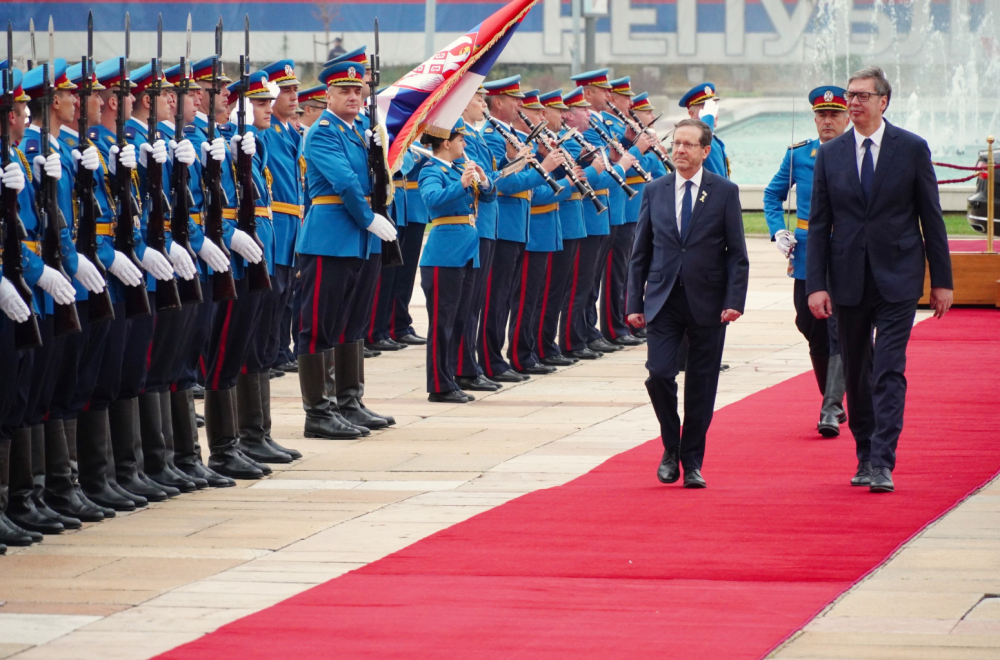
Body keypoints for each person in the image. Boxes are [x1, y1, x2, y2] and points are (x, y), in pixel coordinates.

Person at [807, 66, 953, 493]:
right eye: (850, 95)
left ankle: (883, 460)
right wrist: (816, 283)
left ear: (883, 102)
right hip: (848, 278)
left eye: (862, 96)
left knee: (889, 368)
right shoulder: (830, 155)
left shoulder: (910, 149)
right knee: (856, 372)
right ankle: (864, 453)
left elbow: (932, 218)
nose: (853, 103)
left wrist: (941, 280)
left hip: (899, 277)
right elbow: (819, 224)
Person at [627, 118, 749, 489]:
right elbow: (640, 253)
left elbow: (737, 254)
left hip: (708, 303)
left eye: (688, 145)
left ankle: (692, 461)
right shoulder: (655, 190)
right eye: (676, 143)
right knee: (660, 373)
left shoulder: (724, 191)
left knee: (702, 383)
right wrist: (634, 302)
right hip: (663, 301)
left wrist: (734, 300)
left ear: (704, 151)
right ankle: (671, 446)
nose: (679, 150)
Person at [295, 60, 397, 440]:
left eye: (358, 91)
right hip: (332, 238)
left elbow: (375, 180)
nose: (353, 96)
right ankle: (318, 412)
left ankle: (348, 401)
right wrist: (368, 217)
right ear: (328, 96)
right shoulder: (323, 132)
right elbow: (346, 182)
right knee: (319, 325)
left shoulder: (358, 133)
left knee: (352, 323)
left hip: (361, 239)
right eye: (344, 91)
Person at [764, 86, 851, 437]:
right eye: (822, 115)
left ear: (847, 117)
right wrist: (777, 231)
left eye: (834, 115)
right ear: (815, 118)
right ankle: (832, 395)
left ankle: (830, 408)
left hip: (845, 251)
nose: (827, 121)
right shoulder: (799, 155)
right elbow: (772, 193)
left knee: (837, 329)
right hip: (807, 252)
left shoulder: (855, 153)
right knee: (808, 321)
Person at [418, 118, 494, 402]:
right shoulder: (432, 169)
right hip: (444, 254)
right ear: (447, 143)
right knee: (442, 322)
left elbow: (488, 196)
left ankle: (451, 378)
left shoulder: (458, 168)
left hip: (466, 251)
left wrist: (483, 180)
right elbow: (431, 198)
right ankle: (439, 385)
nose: (465, 144)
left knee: (460, 319)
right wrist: (460, 184)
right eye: (461, 140)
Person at [679, 83, 729, 179]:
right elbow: (700, 140)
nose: (712, 113)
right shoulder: (689, 140)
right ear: (691, 113)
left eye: (713, 107)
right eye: (706, 108)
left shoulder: (713, 138)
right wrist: (708, 118)